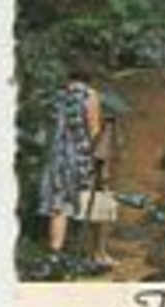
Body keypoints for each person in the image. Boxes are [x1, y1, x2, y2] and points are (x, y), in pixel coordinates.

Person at [38, 67, 111, 266]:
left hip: (55, 159)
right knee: (100, 199)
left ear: (69, 77)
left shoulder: (57, 96)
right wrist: (101, 158)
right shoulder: (90, 95)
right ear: (88, 79)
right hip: (80, 158)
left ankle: (54, 255)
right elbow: (94, 130)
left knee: (58, 207)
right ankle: (98, 254)